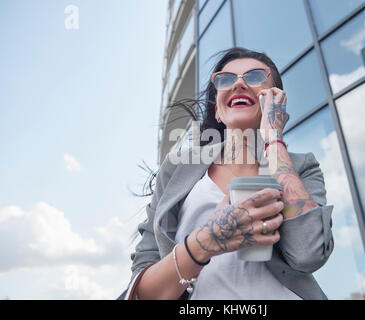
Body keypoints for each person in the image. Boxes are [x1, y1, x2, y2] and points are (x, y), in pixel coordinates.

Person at [118, 47, 334, 300]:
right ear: (218, 110)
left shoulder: (302, 167)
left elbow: (309, 253)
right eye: (226, 79)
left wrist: (273, 137)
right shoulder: (179, 167)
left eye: (254, 77)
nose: (239, 84)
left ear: (275, 100)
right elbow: (143, 294)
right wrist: (207, 241)